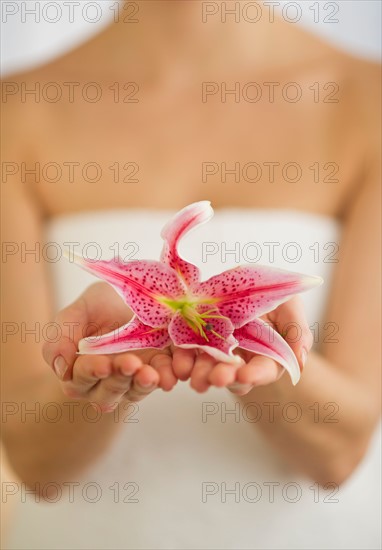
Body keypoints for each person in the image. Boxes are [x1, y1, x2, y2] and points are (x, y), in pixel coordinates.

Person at [1, 2, 380, 549]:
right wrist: (98, 378)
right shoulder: (14, 109)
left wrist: (261, 358)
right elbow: (32, 460)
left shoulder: (370, 99)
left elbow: (340, 453)